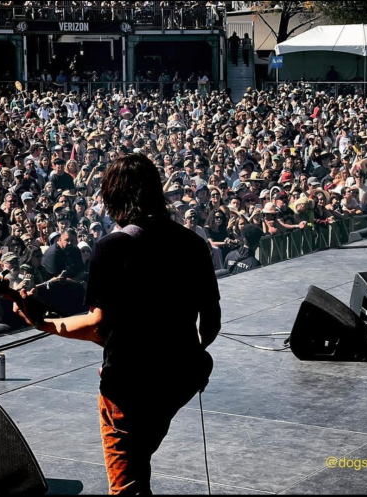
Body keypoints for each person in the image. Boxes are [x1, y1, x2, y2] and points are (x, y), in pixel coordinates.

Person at [14, 154, 221, 495]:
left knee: (127, 486)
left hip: (129, 387)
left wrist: (45, 323)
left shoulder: (112, 247)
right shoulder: (194, 243)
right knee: (139, 464)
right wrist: (178, 353)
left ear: (113, 199)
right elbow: (211, 323)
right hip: (181, 379)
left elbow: (98, 325)